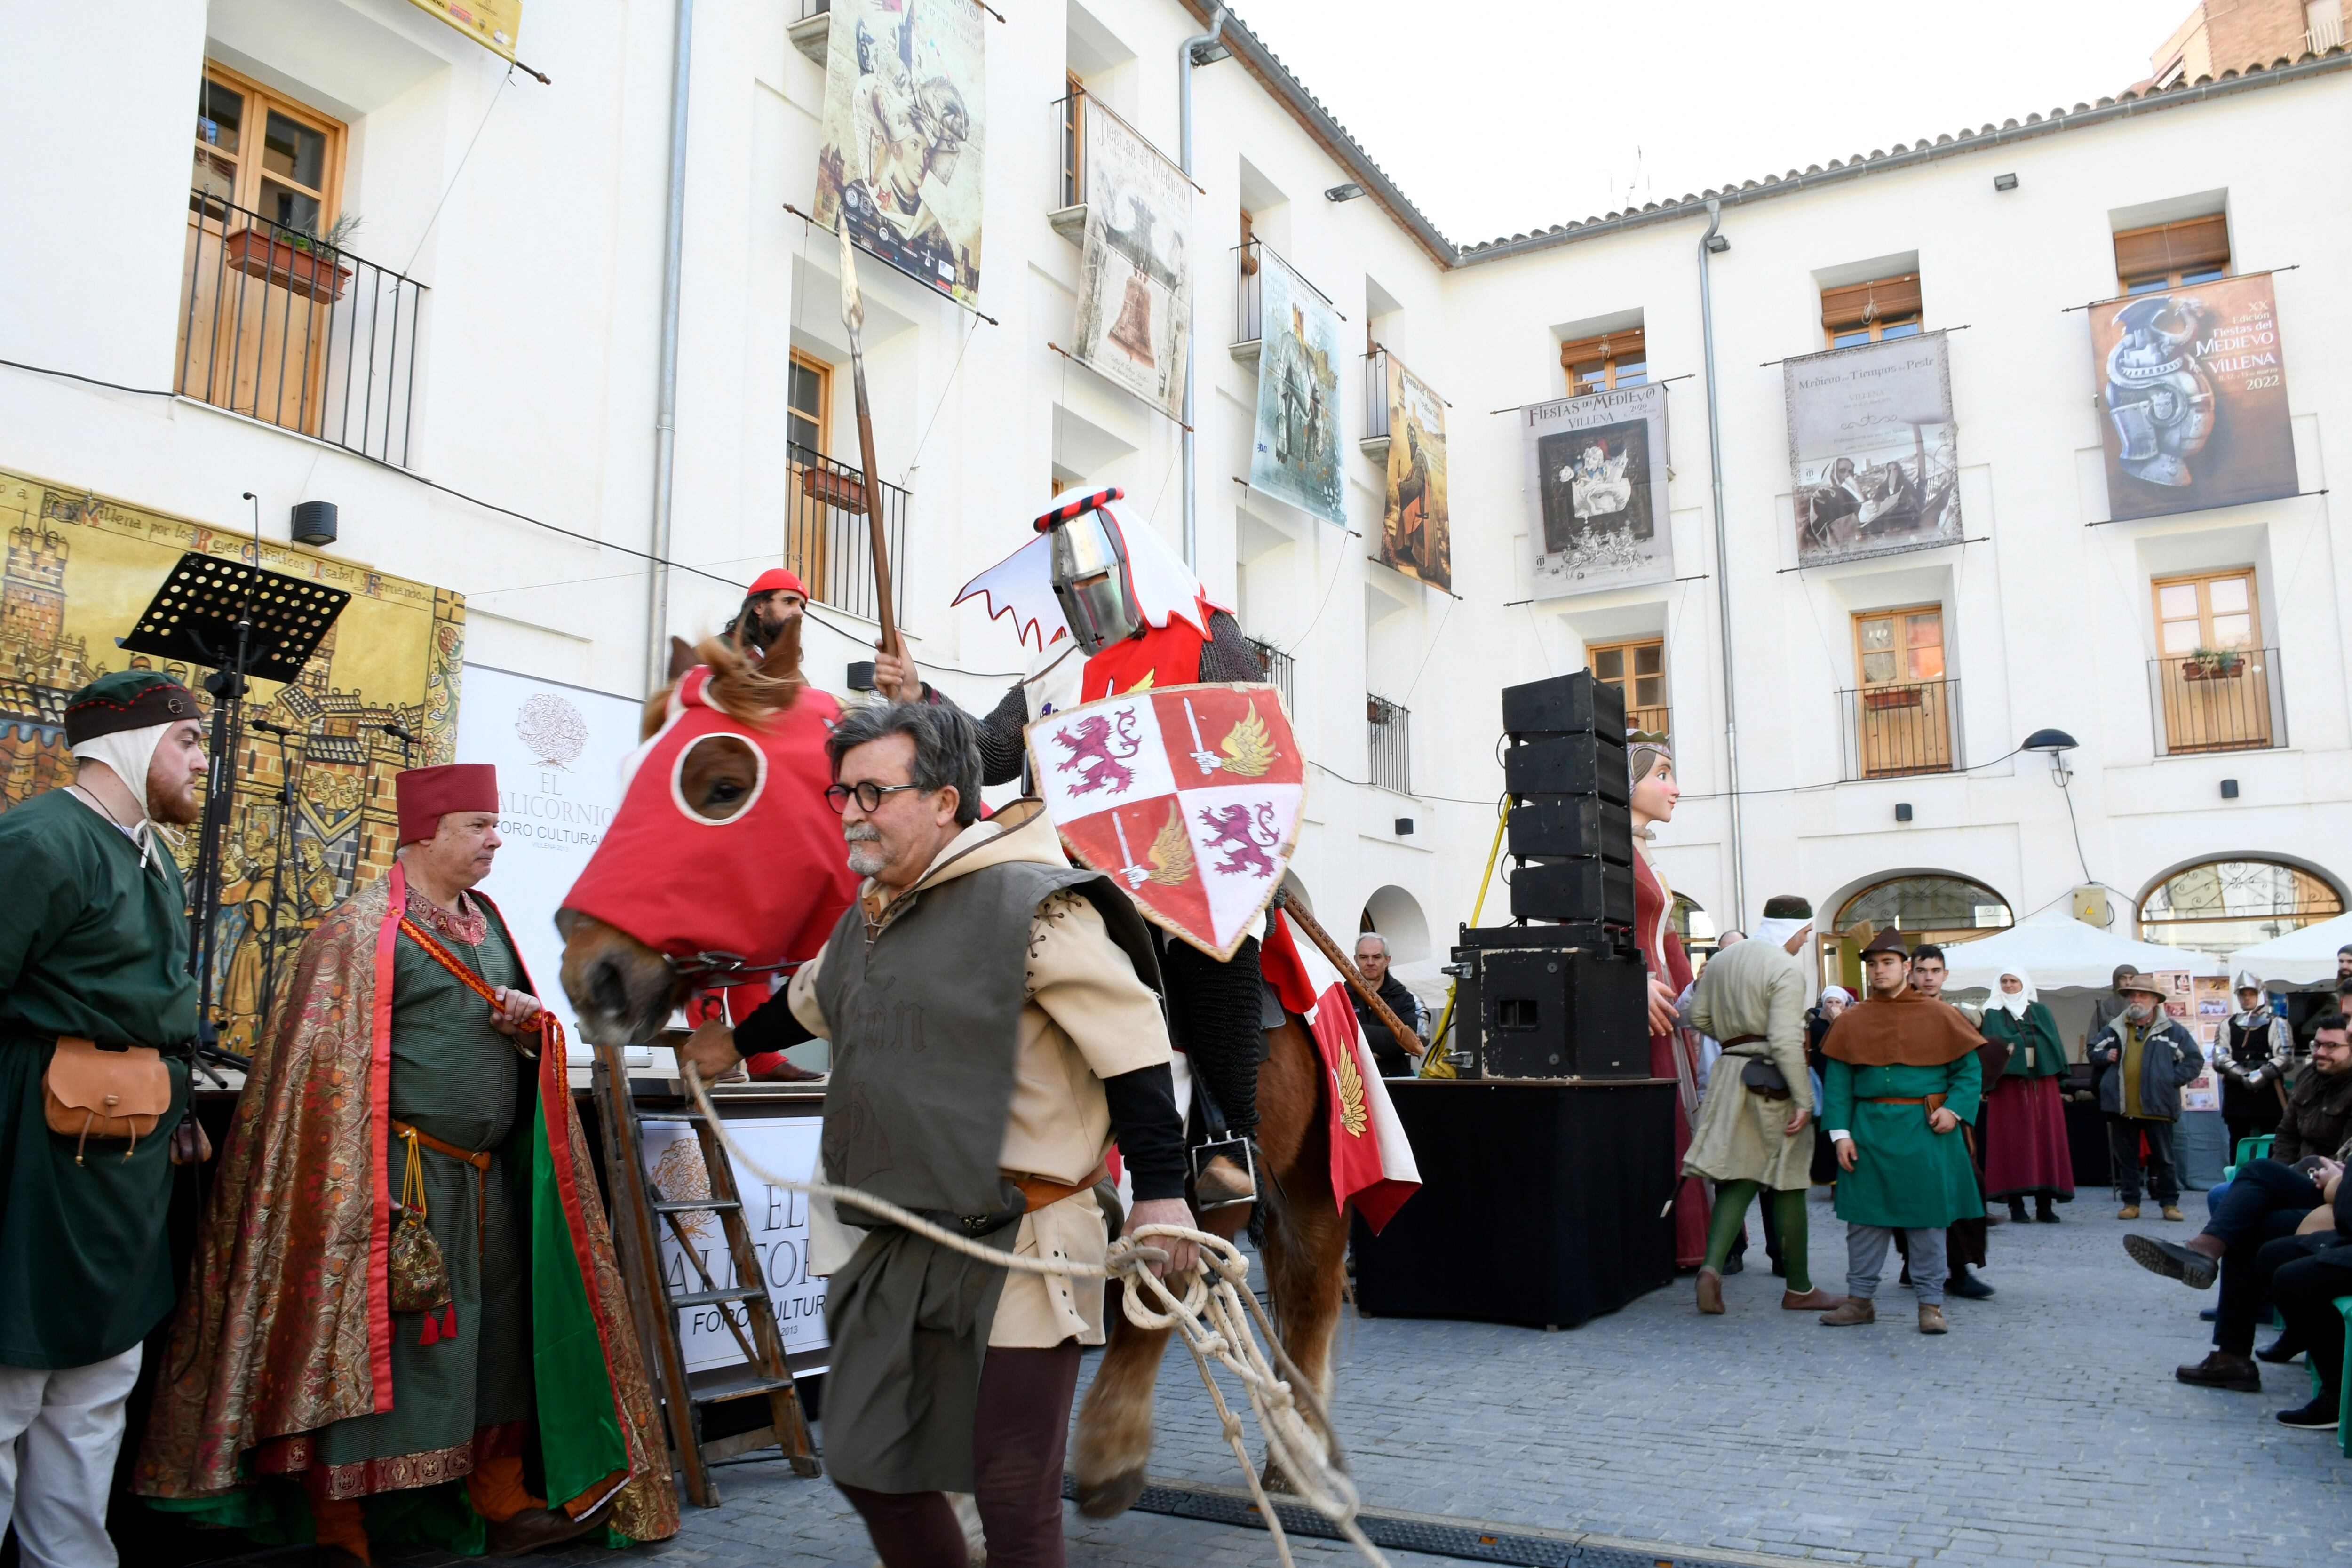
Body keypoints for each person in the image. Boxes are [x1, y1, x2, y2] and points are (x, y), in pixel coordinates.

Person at [676, 701, 1194, 1568]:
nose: (851, 812)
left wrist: (1164, 1191)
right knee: (871, 1464)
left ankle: (1234, 1144)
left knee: (1011, 1489)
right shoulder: (870, 917)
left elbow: (1132, 1041)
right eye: (843, 792)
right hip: (899, 1245)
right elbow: (809, 998)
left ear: (946, 800)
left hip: (1022, 1241)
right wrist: (730, 1041)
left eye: (874, 792)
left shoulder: (1036, 907)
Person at [136, 764, 677, 1561]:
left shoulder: (488, 922)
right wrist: (359, 1186)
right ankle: (340, 1527)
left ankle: (500, 1498)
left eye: (495, 824)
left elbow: (519, 1035)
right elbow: (318, 1075)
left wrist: (531, 1028)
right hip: (394, 1179)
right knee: (370, 1346)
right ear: (427, 832)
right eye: (478, 825)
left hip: (487, 1176)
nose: (496, 840)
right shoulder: (355, 933)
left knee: (497, 1338)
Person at [874, 490, 1266, 1206]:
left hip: (1180, 861)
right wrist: (921, 695)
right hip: (1072, 870)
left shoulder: (1202, 633)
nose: (1082, 604)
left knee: (1217, 941)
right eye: (1068, 591)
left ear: (1129, 569)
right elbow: (992, 754)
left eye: (1092, 585)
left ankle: (1226, 1140)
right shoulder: (1053, 669)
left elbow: (1246, 732)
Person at [0, 672, 207, 1568]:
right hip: (37, 1138)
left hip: (129, 1145)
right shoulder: (42, 839)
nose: (202, 760)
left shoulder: (151, 854)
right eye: (187, 739)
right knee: (12, 1380)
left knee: (96, 1386)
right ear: (131, 742)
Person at [2122, 1014, 2352, 1395]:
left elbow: (2343, 1160)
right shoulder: (2311, 1078)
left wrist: (2313, 1178)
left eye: (2333, 1046)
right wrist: (2287, 1177)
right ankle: (2231, 1356)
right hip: (2310, 1179)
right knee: (2249, 1200)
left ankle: (2205, 1254)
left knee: (2249, 1195)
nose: (2320, 1052)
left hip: (2335, 1193)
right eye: (2317, 1044)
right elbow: (2286, 1133)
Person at [1817, 929, 1986, 1335]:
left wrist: (1954, 1110)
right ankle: (1860, 1301)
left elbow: (1969, 1073)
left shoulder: (1941, 1015)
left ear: (1906, 967)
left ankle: (1931, 1304)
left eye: (1888, 962)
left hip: (1924, 1131)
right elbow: (1838, 1083)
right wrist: (1841, 1134)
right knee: (1864, 1220)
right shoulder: (1851, 1020)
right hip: (1868, 1131)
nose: (1880, 970)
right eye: (1873, 964)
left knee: (1927, 1219)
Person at [1682, 898, 1840, 1315]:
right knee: (1789, 1180)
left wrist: (1734, 1038)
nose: (1804, 942)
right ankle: (1799, 1287)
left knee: (1739, 1176)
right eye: (1805, 934)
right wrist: (1804, 1098)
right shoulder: (1784, 968)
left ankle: (1711, 1270)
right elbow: (1786, 1040)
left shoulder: (1722, 960)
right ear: (1794, 929)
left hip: (1730, 1074)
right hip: (1773, 1080)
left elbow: (1698, 1017)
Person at [1629, 736, 1710, 1270]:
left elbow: (1669, 939)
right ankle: (1672, 1240)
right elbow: (1590, 931)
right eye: (1661, 774)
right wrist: (1630, 980)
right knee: (1663, 1120)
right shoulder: (1608, 852)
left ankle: (1692, 1238)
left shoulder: (1641, 851)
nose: (1674, 788)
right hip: (1641, 1004)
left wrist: (1691, 999)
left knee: (1680, 1115)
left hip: (1662, 1005)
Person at [1899, 943, 1996, 1301]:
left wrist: (1954, 1110)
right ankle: (1917, 1262)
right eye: (1922, 971)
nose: (1928, 978)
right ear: (1911, 973)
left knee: (1961, 1187)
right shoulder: (1897, 1015)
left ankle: (1957, 1267)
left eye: (1935, 971)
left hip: (1947, 1116)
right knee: (1911, 1189)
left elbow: (1969, 1070)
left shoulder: (1955, 1017)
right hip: (1905, 1118)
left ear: (1945, 975)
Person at [2087, 973, 2205, 1221]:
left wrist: (2169, 1080)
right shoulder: (2115, 1028)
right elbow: (2093, 1049)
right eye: (2132, 996)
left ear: (2155, 1001)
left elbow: (2194, 1060)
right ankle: (2131, 1203)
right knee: (2127, 1160)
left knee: (2164, 1159)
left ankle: (2169, 1204)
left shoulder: (2173, 1031)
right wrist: (2105, 1056)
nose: (2136, 1000)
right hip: (2122, 1105)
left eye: (2142, 995)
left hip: (2159, 1104)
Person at [1980, 969, 2074, 1224]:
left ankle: (2045, 1205)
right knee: (2013, 1143)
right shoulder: (1993, 1014)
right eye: (2004, 981)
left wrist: (2016, 1046)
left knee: (2045, 1141)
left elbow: (2050, 1043)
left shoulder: (2040, 1011)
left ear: (2024, 984)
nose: (2009, 985)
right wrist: (2024, 1044)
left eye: (2014, 981)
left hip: (2042, 1085)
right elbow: (1993, 1046)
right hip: (2008, 1089)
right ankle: (2016, 1205)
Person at [2216, 971, 2294, 1159]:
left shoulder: (2277, 1023)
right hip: (2237, 1089)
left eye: (2251, 994)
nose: (2247, 998)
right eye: (2243, 994)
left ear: (2258, 994)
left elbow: (2285, 1056)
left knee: (2272, 1140)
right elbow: (2220, 1056)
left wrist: (2262, 1074)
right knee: (2238, 1141)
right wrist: (2242, 1074)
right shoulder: (2227, 1024)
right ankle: (2238, 1174)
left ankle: (2272, 1173)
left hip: (2269, 1090)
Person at [1352, 934, 1427, 1077]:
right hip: (1353, 1081)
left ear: (1387, 960)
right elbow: (1335, 1038)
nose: (1370, 963)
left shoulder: (1404, 998)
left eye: (1377, 957)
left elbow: (1409, 1042)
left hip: (1395, 1080)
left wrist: (1356, 1031)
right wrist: (1388, 1040)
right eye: (1364, 957)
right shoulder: (1342, 996)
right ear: (1356, 960)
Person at [722, 566, 809, 659]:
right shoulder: (718, 654)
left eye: (802, 607)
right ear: (759, 606)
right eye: (788, 602)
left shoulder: (785, 665)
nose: (800, 613)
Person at [2085, 962, 2140, 1046]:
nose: (2128, 983)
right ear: (2117, 981)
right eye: (2123, 979)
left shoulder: (2145, 1005)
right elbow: (2092, 1040)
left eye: (2131, 979)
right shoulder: (2105, 1006)